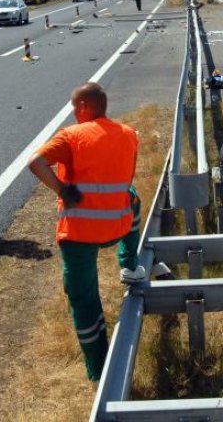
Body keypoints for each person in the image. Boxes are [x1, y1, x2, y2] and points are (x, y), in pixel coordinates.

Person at [27, 82, 145, 381]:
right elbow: (122, 178)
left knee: (84, 298)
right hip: (117, 227)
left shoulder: (71, 136)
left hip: (79, 233)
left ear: (83, 107)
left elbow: (35, 163)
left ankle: (98, 369)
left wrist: (62, 188)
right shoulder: (129, 134)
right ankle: (130, 264)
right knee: (133, 197)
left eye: (73, 107)